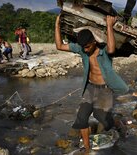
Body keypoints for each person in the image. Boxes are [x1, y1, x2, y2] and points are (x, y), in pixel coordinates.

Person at [55, 15, 129, 153]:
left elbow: (112, 49)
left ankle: (118, 123)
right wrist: (57, 25)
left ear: (94, 42)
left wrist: (109, 25)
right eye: (83, 47)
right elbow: (59, 46)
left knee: (104, 121)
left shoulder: (104, 51)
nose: (86, 50)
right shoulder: (82, 49)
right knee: (82, 118)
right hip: (90, 87)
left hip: (104, 90)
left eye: (88, 46)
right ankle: (87, 150)